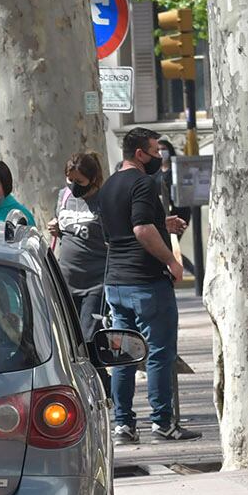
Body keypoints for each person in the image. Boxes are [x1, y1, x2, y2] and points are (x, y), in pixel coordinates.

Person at [97, 127, 198, 443]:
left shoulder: (110, 185)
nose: (159, 157)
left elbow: (116, 232)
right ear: (140, 154)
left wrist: (161, 223)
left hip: (115, 282)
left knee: (123, 356)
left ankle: (123, 424)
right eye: (156, 151)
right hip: (146, 283)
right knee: (159, 352)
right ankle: (162, 422)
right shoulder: (144, 182)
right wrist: (171, 260)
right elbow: (140, 229)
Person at [47, 152, 109, 342]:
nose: (73, 185)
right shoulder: (63, 196)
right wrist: (56, 226)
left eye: (79, 181)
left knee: (88, 338)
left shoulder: (104, 200)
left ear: (93, 180)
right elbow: (63, 225)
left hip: (95, 283)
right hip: (66, 280)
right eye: (69, 179)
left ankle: (97, 372)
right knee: (68, 340)